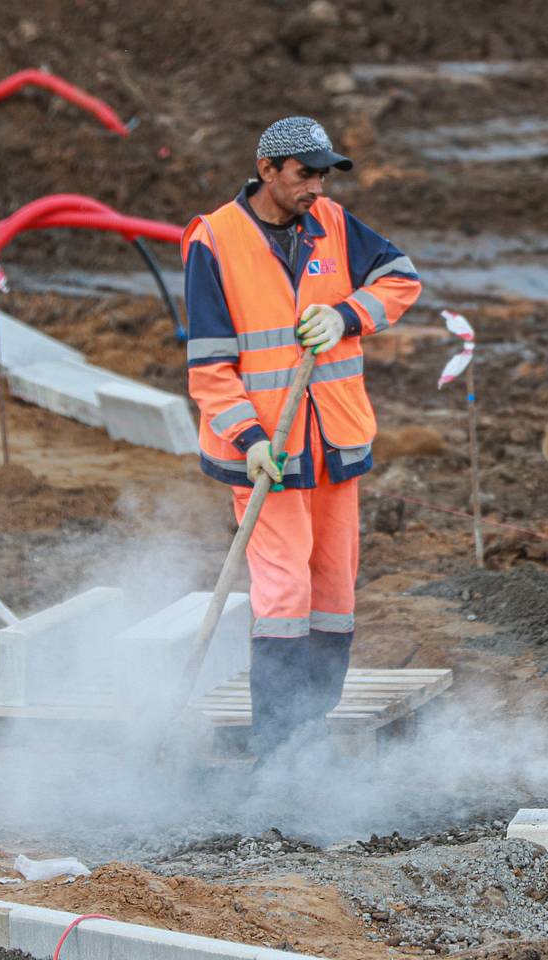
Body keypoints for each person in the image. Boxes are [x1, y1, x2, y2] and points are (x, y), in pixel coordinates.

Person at [181, 116, 421, 760]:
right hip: (266, 452)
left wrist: (346, 314)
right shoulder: (216, 241)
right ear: (267, 171)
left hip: (335, 439)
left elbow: (401, 280)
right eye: (304, 173)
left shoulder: (334, 226)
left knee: (333, 588)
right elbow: (208, 368)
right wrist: (249, 436)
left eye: (324, 172)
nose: (317, 184)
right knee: (283, 592)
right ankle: (278, 740)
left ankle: (314, 722)